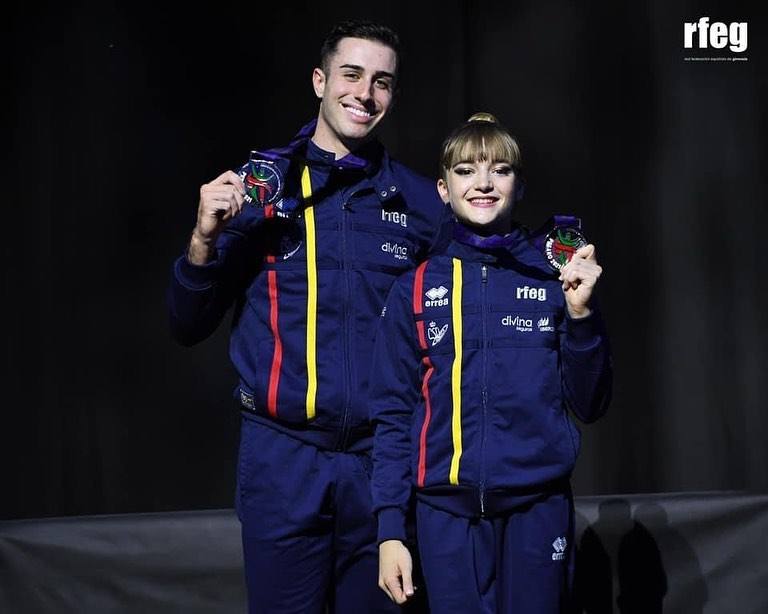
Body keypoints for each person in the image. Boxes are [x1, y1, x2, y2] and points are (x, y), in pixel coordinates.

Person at [167, 20, 451, 614]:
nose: (364, 93)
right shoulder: (262, 189)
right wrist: (201, 241)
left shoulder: (422, 203)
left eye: (381, 82)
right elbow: (188, 325)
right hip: (282, 460)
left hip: (381, 466)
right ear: (320, 81)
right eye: (351, 75)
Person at [370, 113, 612, 612]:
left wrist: (582, 317)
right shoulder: (414, 286)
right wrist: (390, 530)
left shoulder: (557, 282)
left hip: (537, 510)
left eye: (500, 170)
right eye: (465, 171)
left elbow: (590, 404)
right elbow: (392, 415)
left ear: (519, 186)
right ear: (443, 189)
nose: (483, 183)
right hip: (445, 516)